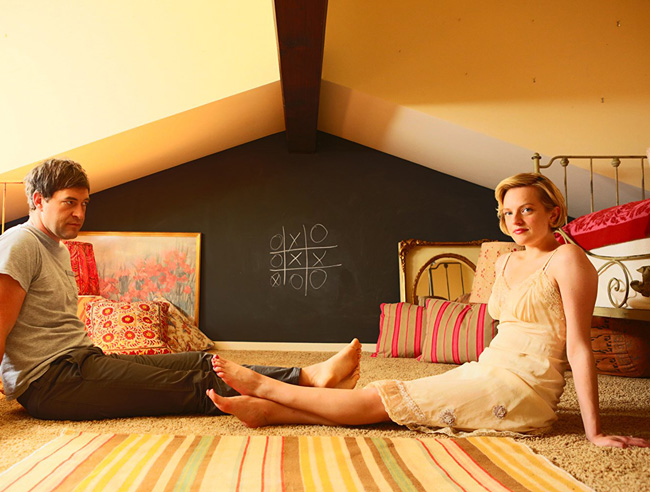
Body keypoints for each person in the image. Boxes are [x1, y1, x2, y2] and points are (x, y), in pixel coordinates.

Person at [0, 158, 361, 445]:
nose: (79, 213)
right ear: (38, 201)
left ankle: (305, 376)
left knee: (202, 362)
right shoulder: (15, 246)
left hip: (82, 361)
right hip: (51, 383)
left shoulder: (56, 246)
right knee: (195, 386)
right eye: (69, 203)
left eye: (84, 204)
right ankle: (312, 391)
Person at [206, 173, 650, 449]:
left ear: (554, 213)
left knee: (378, 401)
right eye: (506, 213)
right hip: (487, 369)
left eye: (527, 210)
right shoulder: (506, 260)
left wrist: (594, 431)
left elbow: (579, 346)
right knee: (393, 395)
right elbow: (501, 330)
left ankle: (268, 388)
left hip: (524, 389)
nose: (515, 220)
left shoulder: (569, 260)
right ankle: (270, 412)